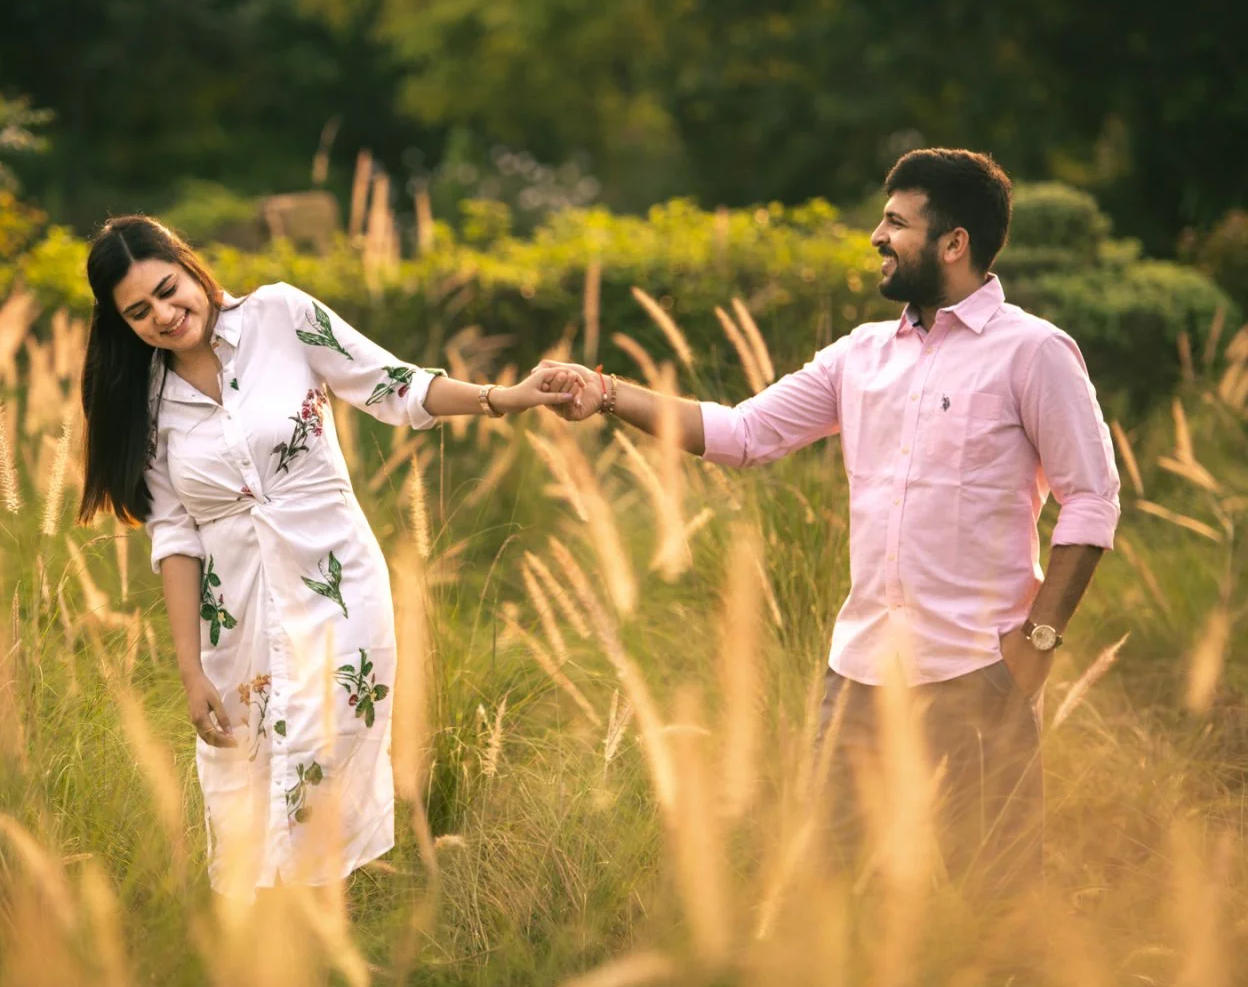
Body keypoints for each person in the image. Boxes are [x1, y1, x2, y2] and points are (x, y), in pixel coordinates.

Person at [544, 149, 1121, 894]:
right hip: (858, 681)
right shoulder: (861, 355)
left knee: (994, 908)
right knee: (828, 903)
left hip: (979, 677)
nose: (877, 236)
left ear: (955, 242)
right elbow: (742, 433)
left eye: (896, 222)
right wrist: (606, 392)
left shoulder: (1034, 352)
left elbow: (1093, 499)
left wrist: (1035, 645)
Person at [76, 215, 583, 898]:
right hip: (238, 616)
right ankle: (272, 950)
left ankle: (321, 929)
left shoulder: (281, 316)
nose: (164, 315)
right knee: (249, 776)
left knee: (323, 756)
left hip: (335, 585)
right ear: (121, 322)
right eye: (139, 312)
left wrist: (505, 397)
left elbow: (395, 385)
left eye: (169, 291)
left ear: (191, 267)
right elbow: (174, 536)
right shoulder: (147, 399)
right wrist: (191, 668)